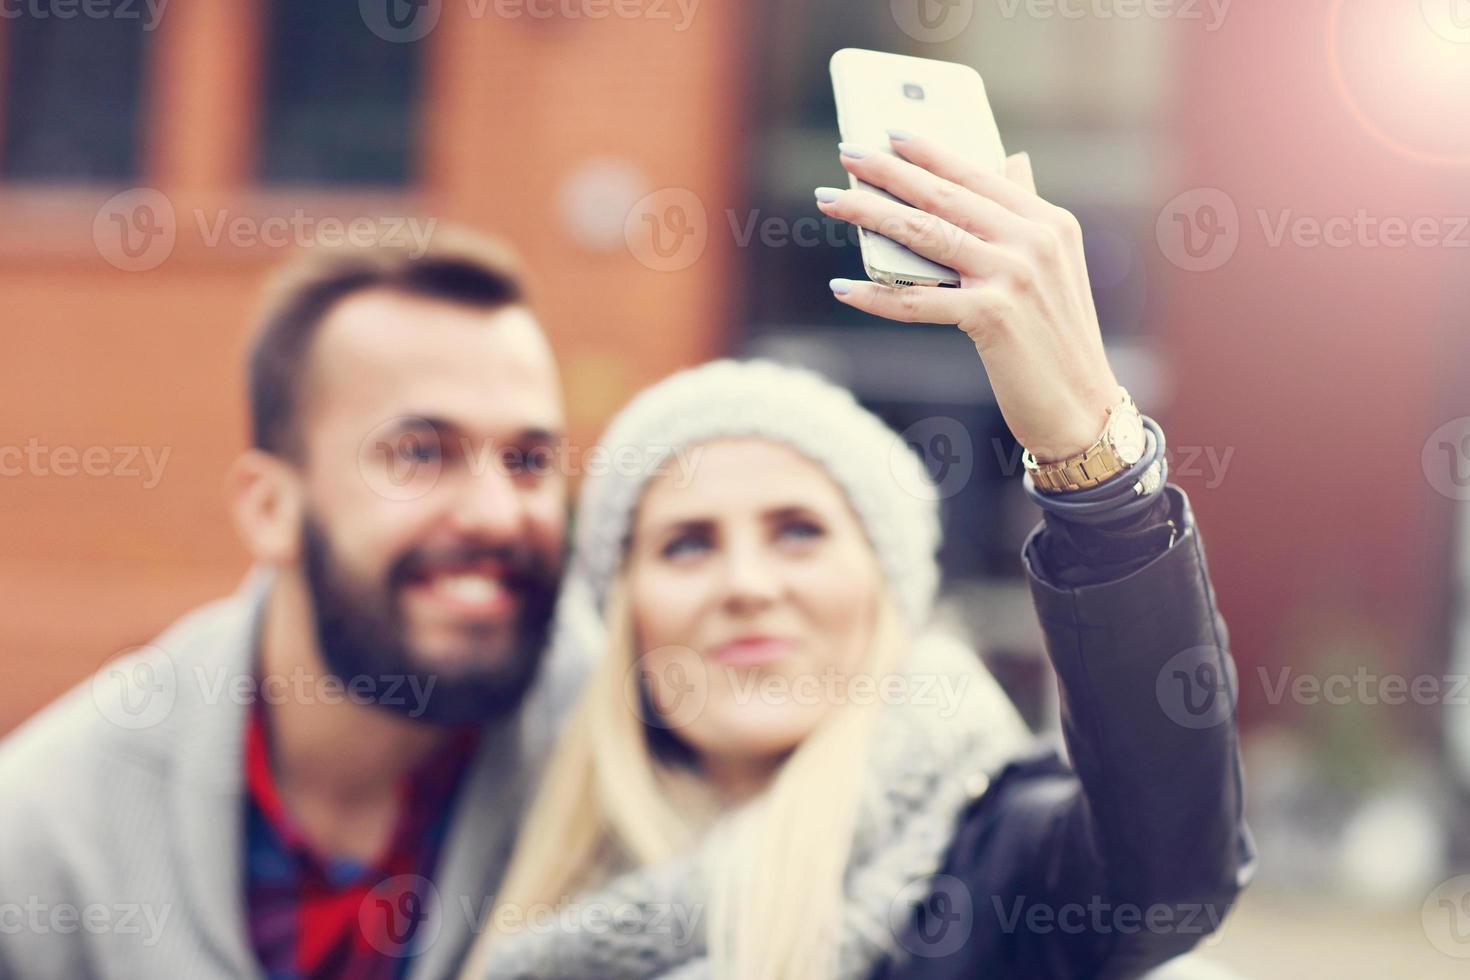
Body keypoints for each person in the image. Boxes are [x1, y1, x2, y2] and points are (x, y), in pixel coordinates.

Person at [459, 135, 1253, 979]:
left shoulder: (999, 866)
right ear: (625, 611)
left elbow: (1171, 874)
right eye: (687, 545)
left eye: (799, 530)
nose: (748, 586)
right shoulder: (504, 871)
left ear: (886, 588)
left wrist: (1092, 463)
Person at [0, 231, 587, 978]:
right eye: (420, 453)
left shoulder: (638, 771)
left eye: (529, 461)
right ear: (270, 508)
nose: (497, 514)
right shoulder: (47, 840)